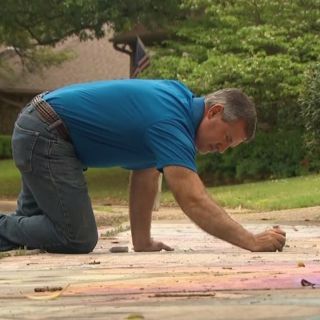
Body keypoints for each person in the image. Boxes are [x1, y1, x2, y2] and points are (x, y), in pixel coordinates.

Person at [0, 79, 286, 253]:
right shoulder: (172, 123)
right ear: (214, 111)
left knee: (26, 234)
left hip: (45, 130)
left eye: (229, 146)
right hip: (47, 134)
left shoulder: (177, 104)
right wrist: (250, 240)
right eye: (225, 138)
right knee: (77, 237)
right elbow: (192, 198)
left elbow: (146, 174)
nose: (221, 150)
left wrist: (142, 241)